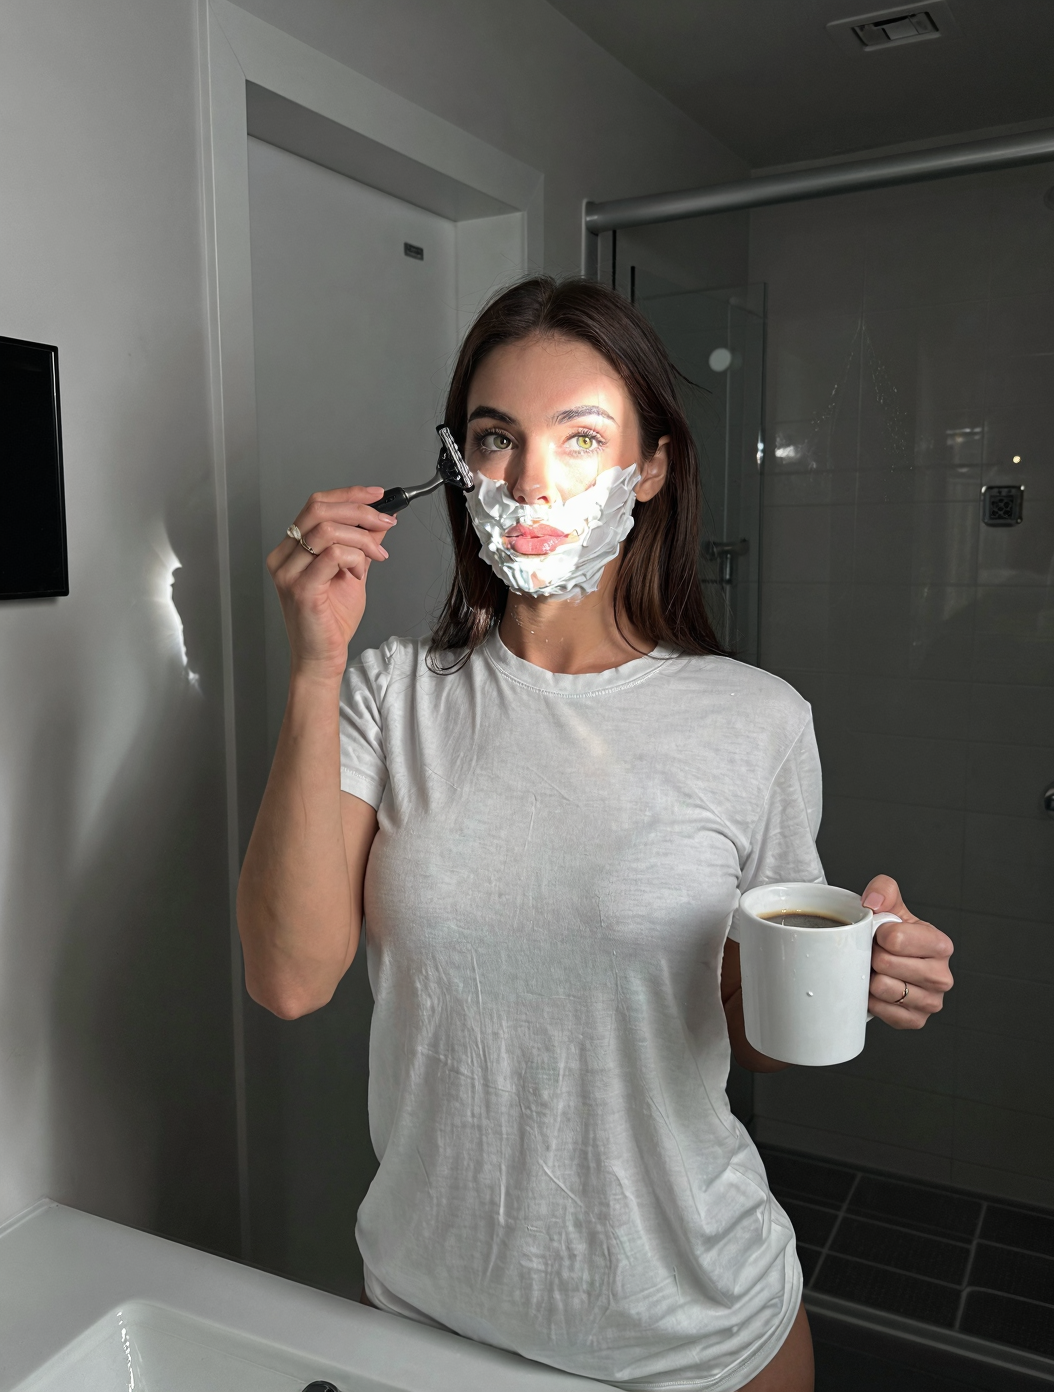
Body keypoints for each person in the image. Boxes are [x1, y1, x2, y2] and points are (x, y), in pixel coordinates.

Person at [237, 276, 954, 1392]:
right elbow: (288, 980)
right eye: (496, 439)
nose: (531, 480)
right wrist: (315, 666)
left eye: (580, 438)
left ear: (650, 467)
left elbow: (747, 1035)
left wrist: (852, 973)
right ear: (458, 466)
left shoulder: (756, 720)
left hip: (693, 1332)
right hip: (430, 1316)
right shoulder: (389, 695)